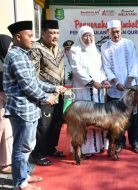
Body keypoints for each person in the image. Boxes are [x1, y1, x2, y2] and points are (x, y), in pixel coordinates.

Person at [4, 20, 65, 190]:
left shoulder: (22, 54)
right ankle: (20, 183)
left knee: (26, 145)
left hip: (28, 108)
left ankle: (24, 175)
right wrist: (47, 98)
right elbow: (29, 86)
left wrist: (54, 87)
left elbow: (35, 81)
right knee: (22, 147)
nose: (32, 39)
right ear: (18, 37)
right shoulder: (16, 56)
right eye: (29, 36)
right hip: (22, 109)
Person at [101, 20, 138, 153]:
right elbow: (106, 67)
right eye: (113, 32)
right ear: (108, 32)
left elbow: (134, 63)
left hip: (130, 87)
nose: (116, 34)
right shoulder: (104, 47)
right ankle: (119, 142)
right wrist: (116, 82)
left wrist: (129, 80)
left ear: (121, 30)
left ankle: (135, 142)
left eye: (118, 31)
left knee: (133, 116)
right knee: (116, 117)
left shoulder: (129, 44)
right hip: (115, 88)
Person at [69, 26, 111, 158]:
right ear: (80, 37)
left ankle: (97, 146)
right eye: (85, 36)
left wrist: (104, 80)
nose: (88, 38)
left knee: (97, 119)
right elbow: (77, 70)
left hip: (97, 91)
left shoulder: (96, 50)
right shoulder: (75, 50)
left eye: (91, 35)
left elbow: (101, 69)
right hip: (84, 91)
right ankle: (85, 150)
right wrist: (92, 82)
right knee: (84, 119)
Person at [29, 20, 65, 166]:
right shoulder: (36, 48)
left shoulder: (58, 48)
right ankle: (37, 154)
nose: (55, 36)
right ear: (43, 33)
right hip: (45, 95)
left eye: (56, 33)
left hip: (59, 93)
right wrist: (43, 94)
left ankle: (50, 148)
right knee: (43, 126)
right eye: (51, 33)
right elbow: (33, 76)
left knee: (56, 123)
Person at [0, 34, 12, 174]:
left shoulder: (4, 62)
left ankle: (5, 162)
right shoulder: (2, 67)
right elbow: (5, 92)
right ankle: (4, 164)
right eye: (8, 46)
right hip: (3, 103)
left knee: (6, 130)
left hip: (4, 108)